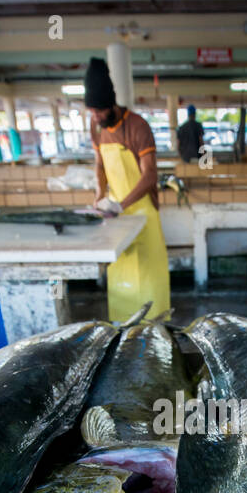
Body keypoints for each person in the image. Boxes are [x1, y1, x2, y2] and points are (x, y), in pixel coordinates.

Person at [85, 56, 170, 322]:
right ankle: (123, 335)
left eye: (99, 111)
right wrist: (101, 195)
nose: (96, 117)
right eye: (92, 112)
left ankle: (157, 334)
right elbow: (100, 166)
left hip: (143, 213)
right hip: (116, 216)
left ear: (111, 104)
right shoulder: (97, 127)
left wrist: (122, 204)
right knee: (122, 277)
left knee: (148, 280)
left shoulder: (138, 126)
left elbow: (150, 175)